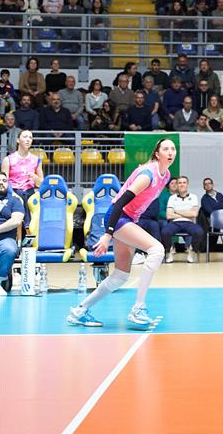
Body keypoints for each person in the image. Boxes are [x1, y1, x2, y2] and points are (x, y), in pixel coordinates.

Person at [67, 137, 176, 330]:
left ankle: (79, 311)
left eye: (173, 149)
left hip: (129, 219)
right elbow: (118, 203)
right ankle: (138, 308)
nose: (170, 152)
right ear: (157, 154)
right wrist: (107, 234)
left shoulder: (166, 175)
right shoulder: (147, 175)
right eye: (165, 149)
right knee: (157, 250)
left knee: (120, 276)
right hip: (118, 217)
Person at [163, 176, 204, 263]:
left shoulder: (193, 197)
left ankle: (192, 250)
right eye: (180, 183)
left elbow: (194, 214)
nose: (182, 185)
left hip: (189, 223)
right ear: (177, 185)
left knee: (199, 232)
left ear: (187, 185)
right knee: (165, 231)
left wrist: (176, 211)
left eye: (184, 182)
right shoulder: (172, 198)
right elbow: (169, 215)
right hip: (175, 223)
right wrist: (187, 213)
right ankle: (170, 250)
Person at [0, 171, 24, 294]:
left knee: (9, 249)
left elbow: (16, 221)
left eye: (4, 181)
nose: (1, 183)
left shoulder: (14, 201)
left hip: (5, 238)